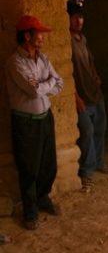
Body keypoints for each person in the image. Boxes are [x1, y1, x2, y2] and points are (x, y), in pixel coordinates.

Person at [5, 15, 64, 230]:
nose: (43, 38)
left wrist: (43, 84)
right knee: (29, 166)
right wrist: (46, 84)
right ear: (28, 36)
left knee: (48, 163)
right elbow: (32, 91)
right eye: (39, 34)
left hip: (45, 118)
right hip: (26, 122)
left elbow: (60, 83)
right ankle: (30, 210)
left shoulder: (43, 58)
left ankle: (43, 198)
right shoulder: (15, 62)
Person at [68, 2, 108, 191]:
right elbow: (66, 72)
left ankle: (99, 162)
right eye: (74, 17)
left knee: (100, 128)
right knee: (86, 131)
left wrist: (95, 76)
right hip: (81, 96)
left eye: (81, 17)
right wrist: (76, 97)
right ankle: (87, 171)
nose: (79, 21)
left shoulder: (82, 39)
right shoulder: (66, 41)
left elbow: (91, 61)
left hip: (94, 92)